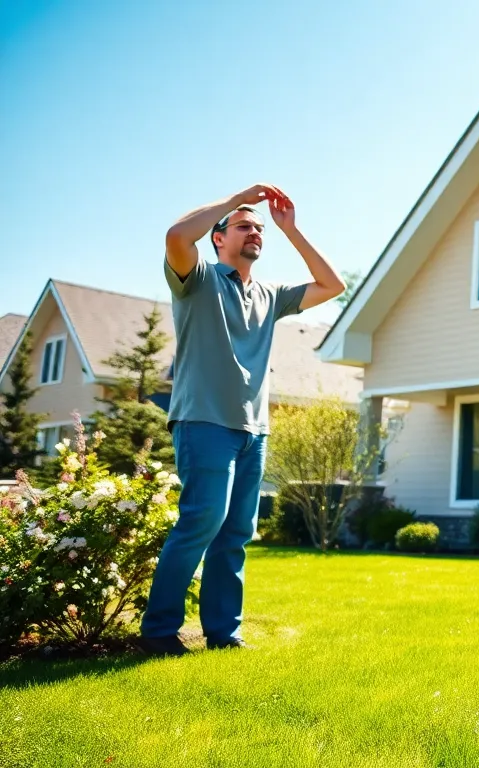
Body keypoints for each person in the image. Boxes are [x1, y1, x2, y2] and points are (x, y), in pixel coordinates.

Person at [138, 184, 346, 656]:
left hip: (255, 431)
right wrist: (237, 199)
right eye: (243, 225)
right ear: (218, 238)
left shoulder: (271, 295)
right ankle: (158, 633)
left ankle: (222, 633)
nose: (255, 231)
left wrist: (290, 229)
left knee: (235, 533)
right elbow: (176, 234)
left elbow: (334, 286)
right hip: (204, 423)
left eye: (258, 227)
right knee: (201, 522)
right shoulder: (198, 279)